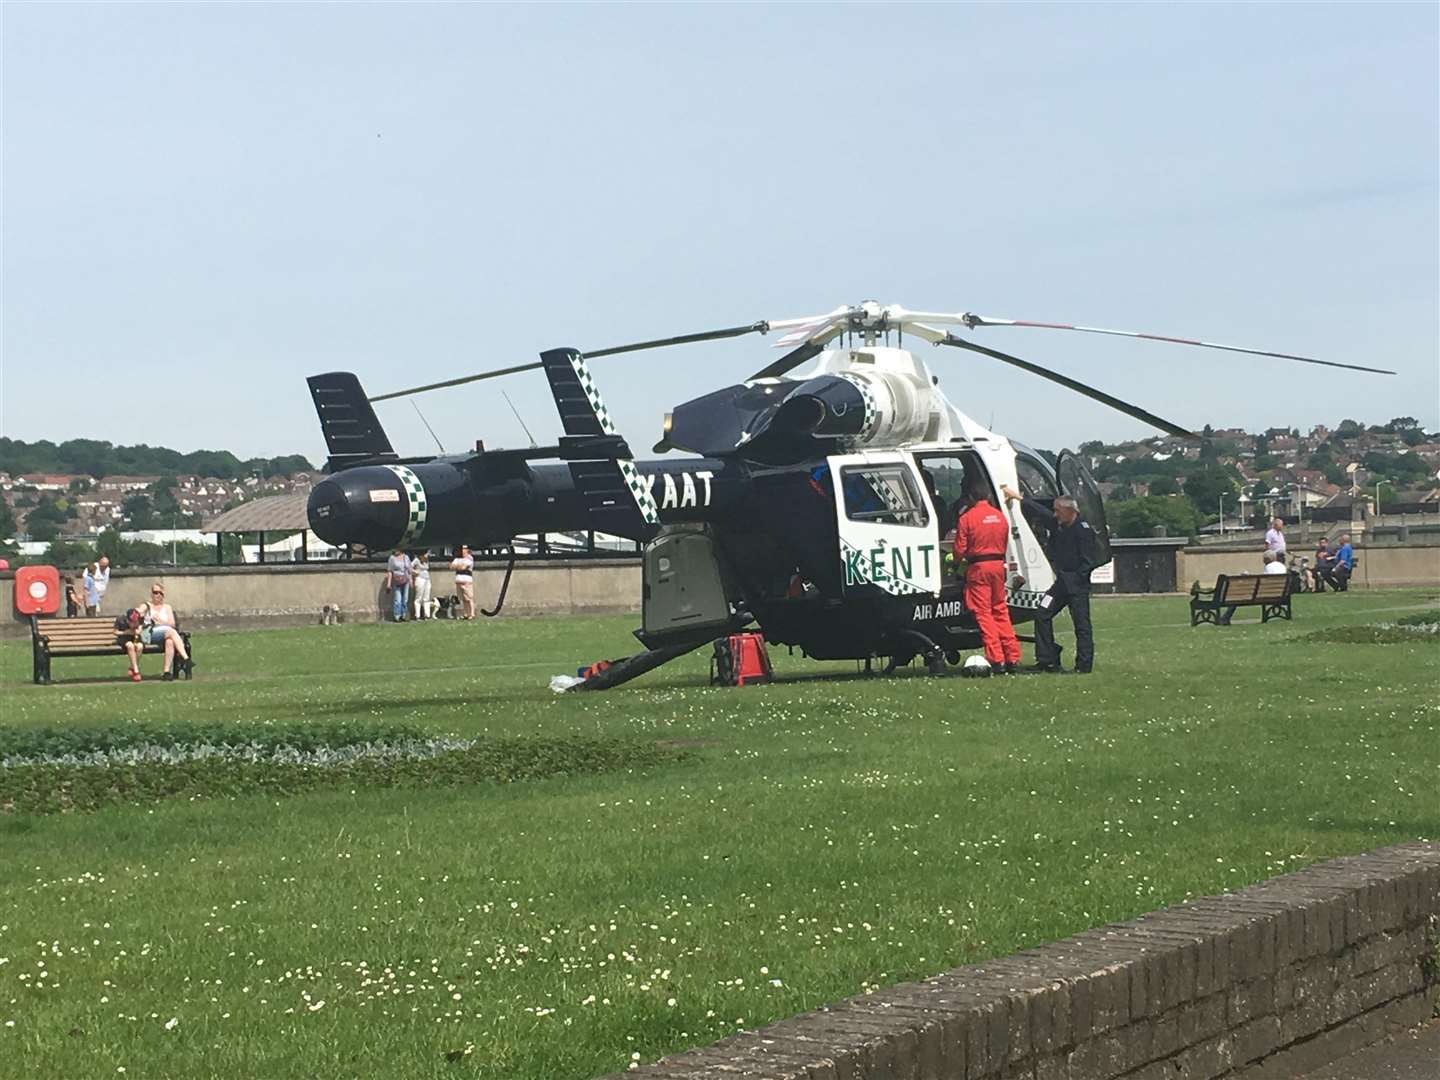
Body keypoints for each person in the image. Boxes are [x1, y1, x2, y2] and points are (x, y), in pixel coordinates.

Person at [1001, 486, 1100, 674]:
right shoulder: (1058, 524)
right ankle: (1047, 660)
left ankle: (1084, 665)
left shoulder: (1083, 530)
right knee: (1042, 613)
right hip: (1061, 585)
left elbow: (1088, 561)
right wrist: (1018, 498)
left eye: (1058, 511)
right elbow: (1041, 512)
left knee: (1082, 626)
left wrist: (1077, 580)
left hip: (1077, 586)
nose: (1055, 514)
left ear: (1070, 511)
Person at [953, 479, 1021, 673]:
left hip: (979, 568)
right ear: (989, 496)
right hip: (998, 566)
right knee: (1000, 610)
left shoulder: (967, 518)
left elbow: (959, 549)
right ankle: (1013, 657)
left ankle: (996, 658)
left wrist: (956, 565)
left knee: (984, 613)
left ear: (971, 497)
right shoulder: (1000, 517)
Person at [139, 583, 191, 681]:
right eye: (155, 592)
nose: (158, 595)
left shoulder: (167, 607)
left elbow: (172, 623)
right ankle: (186, 659)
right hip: (150, 634)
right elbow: (139, 611)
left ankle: (166, 672)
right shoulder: (147, 605)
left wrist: (160, 621)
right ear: (151, 594)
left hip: (164, 635)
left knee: (170, 641)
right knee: (171, 632)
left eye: (160, 593)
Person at [386, 549, 412, 622]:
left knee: (405, 599)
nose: (395, 551)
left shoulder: (406, 557)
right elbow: (390, 571)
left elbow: (409, 570)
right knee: (398, 599)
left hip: (405, 579)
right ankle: (397, 616)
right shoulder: (392, 558)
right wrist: (389, 584)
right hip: (397, 581)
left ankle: (404, 615)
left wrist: (411, 580)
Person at [451, 544, 476, 620]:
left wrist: (458, 566)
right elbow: (451, 566)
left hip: (467, 581)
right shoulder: (458, 558)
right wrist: (459, 566)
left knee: (469, 598)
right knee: (463, 599)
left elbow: (463, 567)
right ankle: (465, 613)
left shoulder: (469, 558)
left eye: (464, 549)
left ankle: (471, 614)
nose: (462, 550)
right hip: (459, 581)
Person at [411, 551, 433, 620]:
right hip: (420, 579)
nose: (427, 555)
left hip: (427, 579)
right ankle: (417, 615)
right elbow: (409, 567)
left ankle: (427, 615)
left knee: (426, 597)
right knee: (419, 597)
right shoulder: (416, 560)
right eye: (425, 554)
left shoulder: (426, 561)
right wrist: (415, 572)